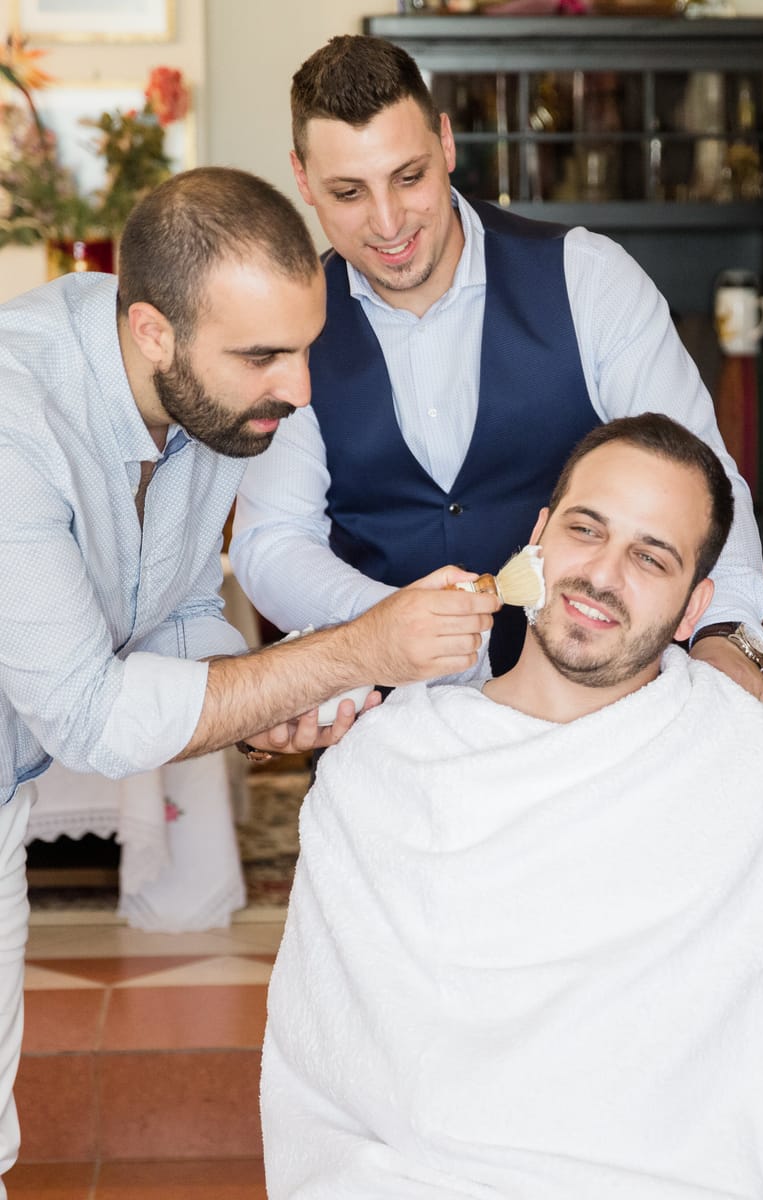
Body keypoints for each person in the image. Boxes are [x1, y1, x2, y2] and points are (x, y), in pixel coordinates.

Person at [0, 166, 499, 1190]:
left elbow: (175, 618)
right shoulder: (16, 424)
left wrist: (258, 697)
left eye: (305, 348)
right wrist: (354, 648)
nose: (300, 387)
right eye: (264, 356)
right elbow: (94, 715)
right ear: (152, 331)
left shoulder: (208, 407)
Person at [261, 414, 763, 1200]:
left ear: (695, 609)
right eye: (586, 530)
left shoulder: (761, 771)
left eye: (652, 557)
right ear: (538, 538)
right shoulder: (389, 763)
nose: (602, 574)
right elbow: (328, 1073)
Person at [230, 33, 763, 698]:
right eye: (348, 192)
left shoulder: (588, 279)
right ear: (302, 179)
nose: (388, 221)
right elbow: (272, 540)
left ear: (447, 145)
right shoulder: (291, 334)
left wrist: (728, 635)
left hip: (591, 710)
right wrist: (385, 624)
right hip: (385, 726)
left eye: (410, 176)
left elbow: (702, 479)